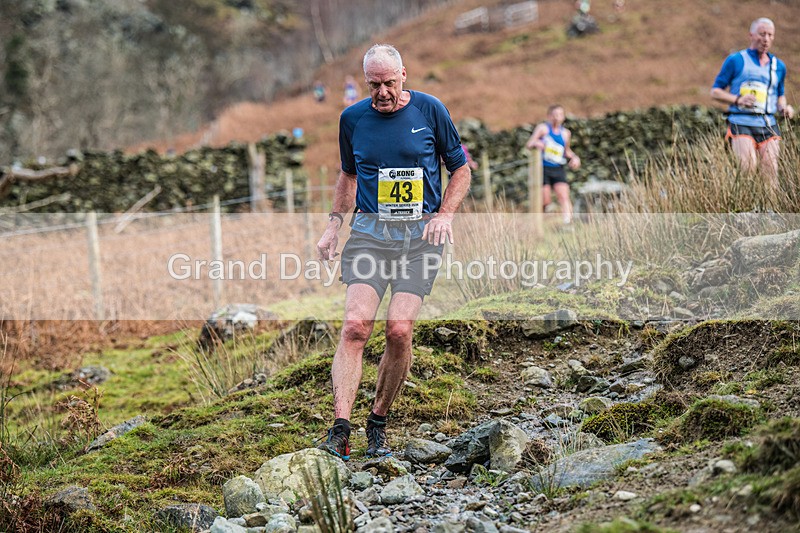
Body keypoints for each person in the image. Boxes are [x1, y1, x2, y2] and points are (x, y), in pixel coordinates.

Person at [316, 44, 471, 460]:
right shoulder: (352, 119)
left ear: (404, 74)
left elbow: (460, 168)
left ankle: (378, 421)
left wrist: (444, 214)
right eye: (373, 85)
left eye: (388, 83)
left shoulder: (430, 110)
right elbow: (348, 175)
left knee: (399, 330)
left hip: (420, 240)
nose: (381, 92)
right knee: (354, 327)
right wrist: (334, 225)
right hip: (369, 235)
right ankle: (340, 428)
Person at [711, 17, 795, 184]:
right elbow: (715, 92)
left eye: (770, 35)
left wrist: (785, 108)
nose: (766, 39)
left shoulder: (779, 66)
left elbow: (779, 95)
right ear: (751, 35)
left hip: (768, 124)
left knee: (770, 172)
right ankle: (746, 209)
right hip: (741, 122)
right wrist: (738, 99)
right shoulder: (736, 60)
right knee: (747, 169)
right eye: (762, 34)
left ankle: (771, 209)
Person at [525, 104, 581, 224]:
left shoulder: (566, 133)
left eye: (560, 115)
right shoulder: (543, 129)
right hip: (543, 169)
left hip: (558, 168)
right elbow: (529, 144)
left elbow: (566, 151)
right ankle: (538, 224)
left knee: (564, 197)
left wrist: (575, 157)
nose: (557, 117)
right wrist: (537, 143)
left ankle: (568, 224)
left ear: (563, 117)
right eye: (554, 115)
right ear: (549, 116)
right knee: (545, 201)